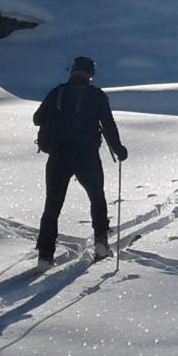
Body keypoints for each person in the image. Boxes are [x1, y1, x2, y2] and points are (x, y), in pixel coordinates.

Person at [33, 55, 127, 266]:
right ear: (91, 74)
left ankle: (45, 255)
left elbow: (37, 119)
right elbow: (108, 125)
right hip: (87, 156)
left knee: (52, 205)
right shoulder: (97, 96)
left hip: (58, 156)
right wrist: (119, 149)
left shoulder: (57, 92)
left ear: (72, 71)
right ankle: (101, 243)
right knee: (97, 198)